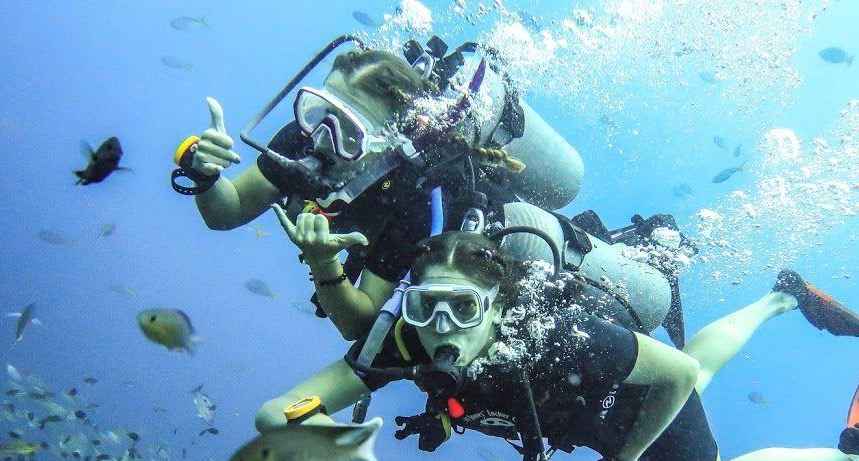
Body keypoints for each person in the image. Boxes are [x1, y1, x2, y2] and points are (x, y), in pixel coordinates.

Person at [253, 230, 859, 461]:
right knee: (697, 373)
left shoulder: (565, 335)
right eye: (426, 309)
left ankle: (848, 455)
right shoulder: (404, 340)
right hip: (594, 402)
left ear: (496, 304)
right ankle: (779, 295)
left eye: (461, 308)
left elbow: (672, 374)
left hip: (626, 408)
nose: (441, 331)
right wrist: (314, 440)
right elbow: (283, 406)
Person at [174, 38, 583, 341]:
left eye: (348, 131)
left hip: (506, 244)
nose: (321, 139)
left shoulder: (416, 197)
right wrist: (204, 173)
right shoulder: (304, 139)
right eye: (318, 111)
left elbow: (360, 322)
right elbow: (229, 211)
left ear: (389, 144)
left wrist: (323, 263)